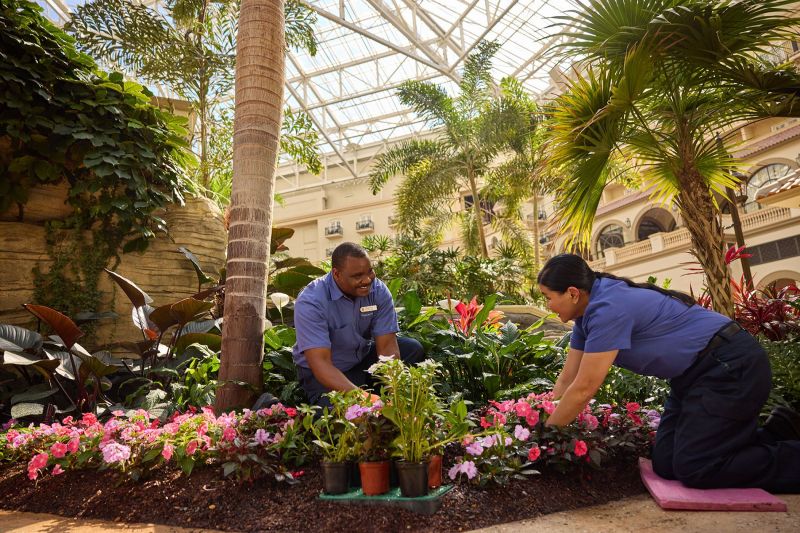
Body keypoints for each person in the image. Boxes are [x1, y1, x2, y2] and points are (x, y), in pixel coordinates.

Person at [537, 253, 800, 493]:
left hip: (729, 366)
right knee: (667, 463)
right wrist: (540, 418)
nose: (548, 305)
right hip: (693, 376)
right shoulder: (585, 316)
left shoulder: (608, 309)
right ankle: (781, 428)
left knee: (697, 467)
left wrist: (544, 440)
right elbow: (567, 379)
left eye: (548, 297)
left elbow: (584, 388)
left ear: (572, 293)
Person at [292, 242, 424, 407]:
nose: (367, 280)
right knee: (338, 420)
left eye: (370, 272)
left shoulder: (378, 290)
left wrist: (394, 393)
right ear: (337, 274)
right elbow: (321, 364)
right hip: (325, 373)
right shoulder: (311, 301)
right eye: (357, 276)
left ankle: (378, 397)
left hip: (361, 360)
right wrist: (365, 399)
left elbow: (387, 347)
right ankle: (363, 396)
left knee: (411, 348)